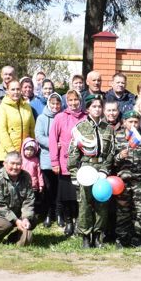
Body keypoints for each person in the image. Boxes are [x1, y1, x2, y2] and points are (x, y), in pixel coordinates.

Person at [67, 94, 115, 248]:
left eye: (99, 106)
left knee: (102, 204)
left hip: (101, 170)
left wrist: (105, 171)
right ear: (87, 109)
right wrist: (74, 174)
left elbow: (111, 152)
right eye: (94, 106)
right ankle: (85, 236)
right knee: (85, 204)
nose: (97, 109)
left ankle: (98, 235)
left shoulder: (108, 128)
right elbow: (73, 152)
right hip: (85, 171)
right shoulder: (80, 128)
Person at [112, 110, 141, 247]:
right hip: (122, 181)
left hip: (139, 181)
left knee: (139, 211)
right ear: (124, 123)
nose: (133, 124)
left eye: (136, 121)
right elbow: (111, 161)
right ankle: (121, 239)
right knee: (123, 211)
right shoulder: (117, 136)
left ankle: (137, 239)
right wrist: (119, 157)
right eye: (130, 122)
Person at [49, 90, 86, 235]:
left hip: (82, 163)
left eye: (75, 100)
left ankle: (78, 221)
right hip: (64, 162)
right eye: (70, 100)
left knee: (79, 195)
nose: (73, 103)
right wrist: (54, 162)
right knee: (66, 195)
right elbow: (53, 139)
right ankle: (68, 221)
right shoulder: (60, 117)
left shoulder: (86, 117)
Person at [0, 152, 36, 246]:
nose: (15, 167)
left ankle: (13, 238)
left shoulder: (26, 176)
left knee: (32, 219)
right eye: (12, 163)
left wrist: (25, 218)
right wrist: (16, 220)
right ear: (5, 163)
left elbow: (29, 200)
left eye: (18, 164)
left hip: (14, 210)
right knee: (6, 225)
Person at [35, 92, 63, 227]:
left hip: (61, 158)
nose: (55, 106)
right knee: (48, 188)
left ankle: (59, 213)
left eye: (58, 103)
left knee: (59, 188)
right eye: (53, 103)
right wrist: (53, 144)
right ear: (48, 104)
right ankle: (48, 213)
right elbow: (39, 136)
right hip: (46, 158)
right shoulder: (41, 118)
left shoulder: (63, 117)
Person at [0, 79, 35, 160]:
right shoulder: (3, 107)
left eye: (18, 89)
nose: (16, 92)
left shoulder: (27, 106)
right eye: (13, 89)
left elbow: (32, 128)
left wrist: (32, 146)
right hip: (8, 154)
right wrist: (12, 151)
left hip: (26, 153)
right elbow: (1, 131)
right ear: (7, 91)